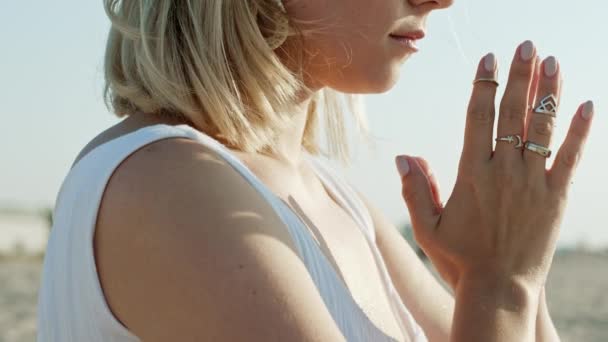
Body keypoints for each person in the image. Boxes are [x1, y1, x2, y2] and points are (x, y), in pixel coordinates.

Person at [37, 0, 595, 341]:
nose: (439, 0)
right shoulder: (167, 185)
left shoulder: (334, 198)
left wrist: (519, 267)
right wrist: (500, 285)